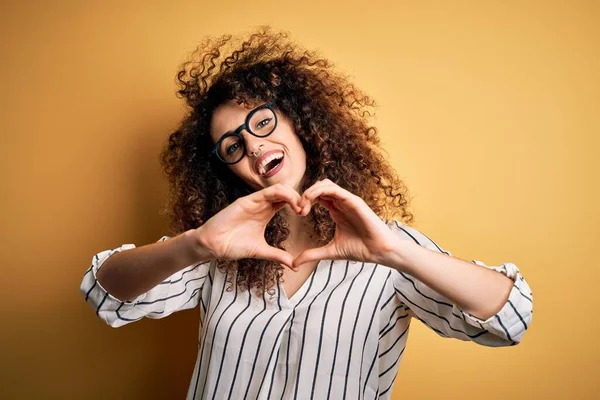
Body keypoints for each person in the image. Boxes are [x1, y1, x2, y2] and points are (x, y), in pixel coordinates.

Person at [80, 26, 534, 400]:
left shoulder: (387, 249)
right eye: (233, 145)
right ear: (228, 169)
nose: (254, 146)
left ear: (302, 124)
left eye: (261, 122)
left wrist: (396, 251)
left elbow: (510, 318)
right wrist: (195, 244)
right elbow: (105, 294)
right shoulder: (214, 247)